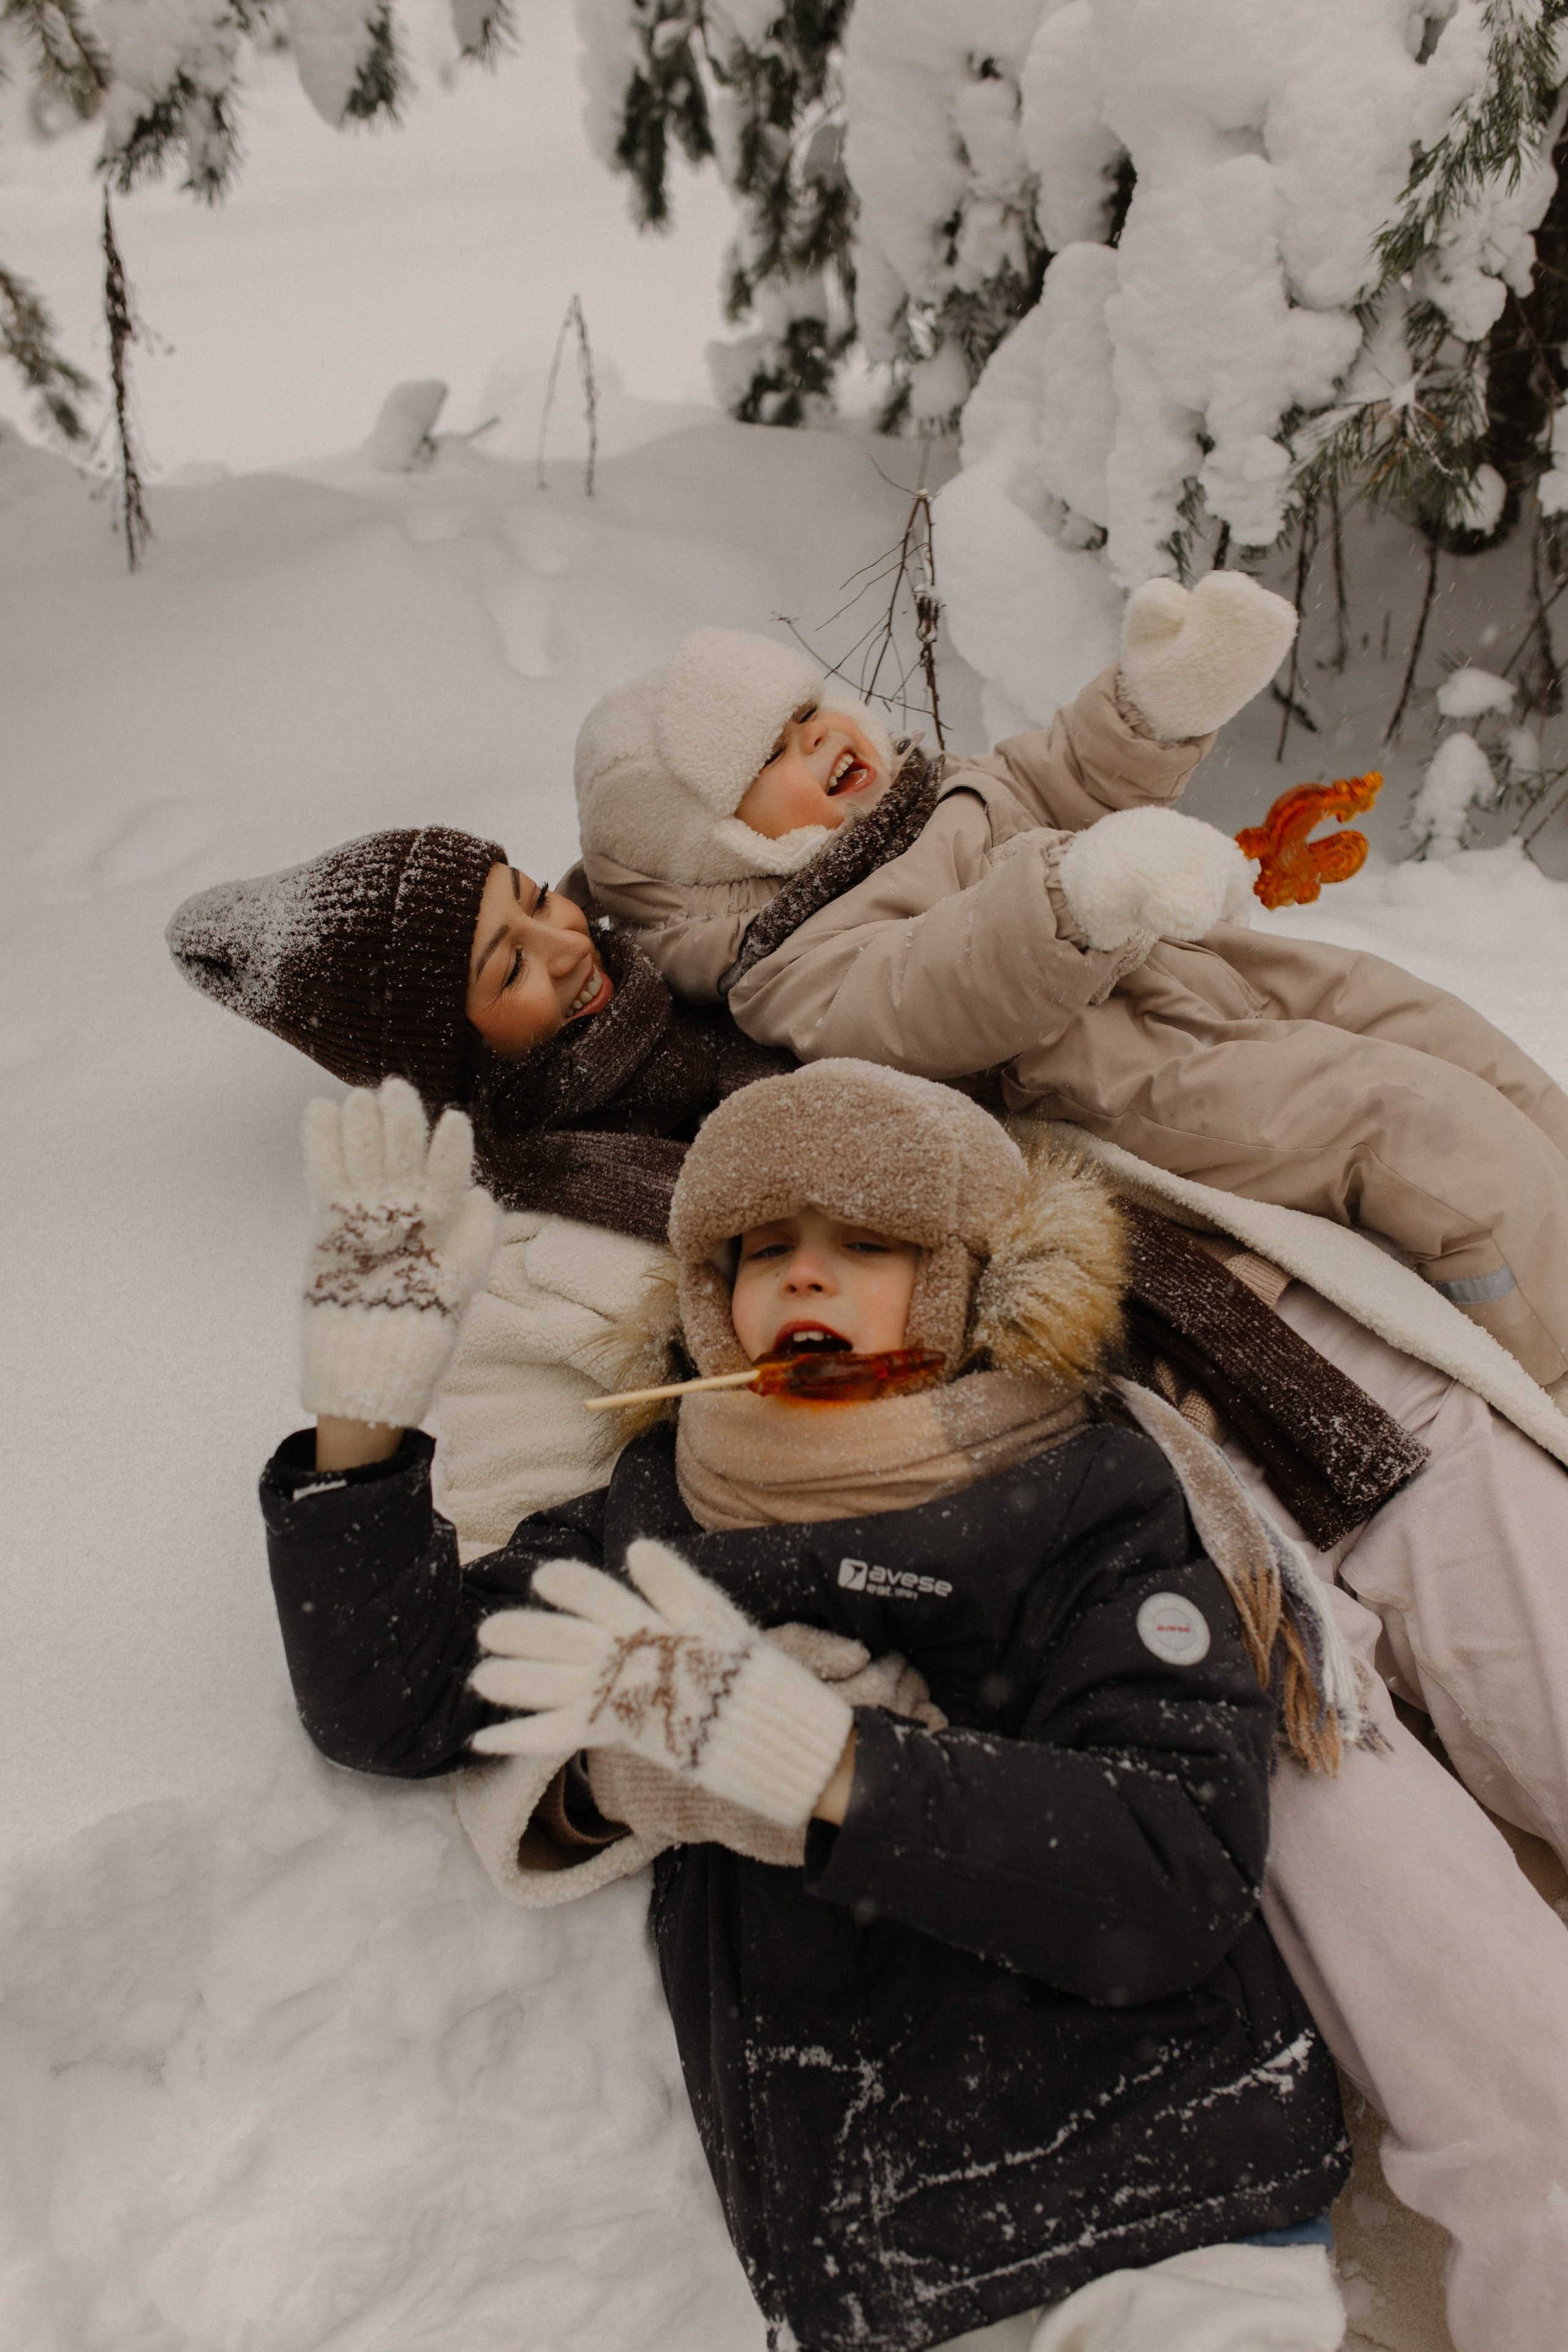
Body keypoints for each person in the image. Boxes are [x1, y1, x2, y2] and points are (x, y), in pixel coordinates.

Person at [251, 1063, 1568, 2352]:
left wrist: (824, 1770)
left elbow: (1170, 1873)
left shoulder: (1082, 1494)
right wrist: (359, 1427)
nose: (802, 1274)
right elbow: (398, 1702)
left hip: (1165, 2187)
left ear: (969, 1279)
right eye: (761, 1248)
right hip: (872, 2250)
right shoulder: (651, 1517)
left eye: (863, 1243)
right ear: (710, 1299)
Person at [569, 577, 1568, 1400]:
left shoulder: (929, 790)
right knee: (1411, 1127)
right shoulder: (790, 957)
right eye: (771, 756)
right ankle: (1554, 1369)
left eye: (807, 711)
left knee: (1448, 1038)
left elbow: (1059, 778)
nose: (817, 740)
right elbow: (921, 997)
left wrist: (1153, 709)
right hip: (1117, 1078)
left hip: (1204, 974)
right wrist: (1073, 898)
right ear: (721, 846)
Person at [167, 823, 789, 1532]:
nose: (569, 945)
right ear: (450, 1058)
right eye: (509, 970)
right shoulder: (527, 1262)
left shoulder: (704, 952)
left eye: (540, 899)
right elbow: (513, 1544)